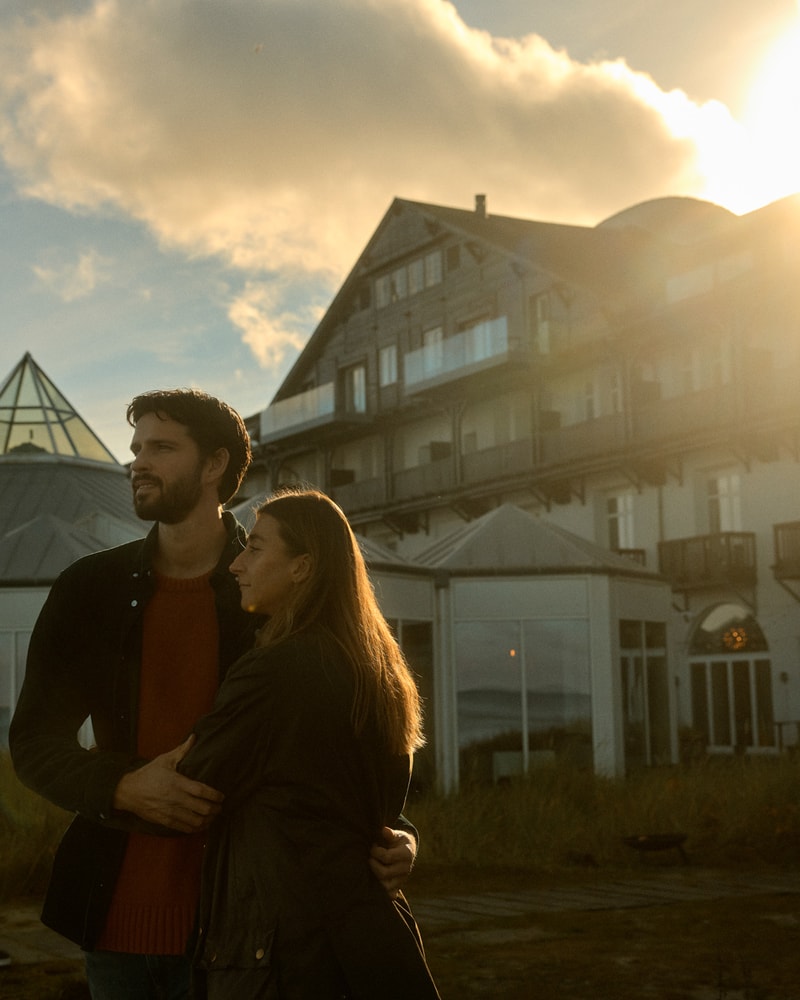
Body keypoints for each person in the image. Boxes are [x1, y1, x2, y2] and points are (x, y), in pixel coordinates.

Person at [9, 390, 417, 1000]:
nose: (138, 462)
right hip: (117, 923)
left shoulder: (273, 592)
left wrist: (397, 832)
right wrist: (120, 785)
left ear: (214, 466)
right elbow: (34, 742)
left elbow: (354, 727)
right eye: (136, 447)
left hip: (251, 924)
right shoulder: (88, 589)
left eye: (162, 448)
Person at [172, 487, 440, 998]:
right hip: (372, 941)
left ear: (302, 567)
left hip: (286, 951)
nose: (237, 564)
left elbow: (192, 785)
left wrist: (114, 776)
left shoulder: (275, 670)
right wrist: (406, 838)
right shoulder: (381, 671)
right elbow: (373, 802)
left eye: (256, 548)